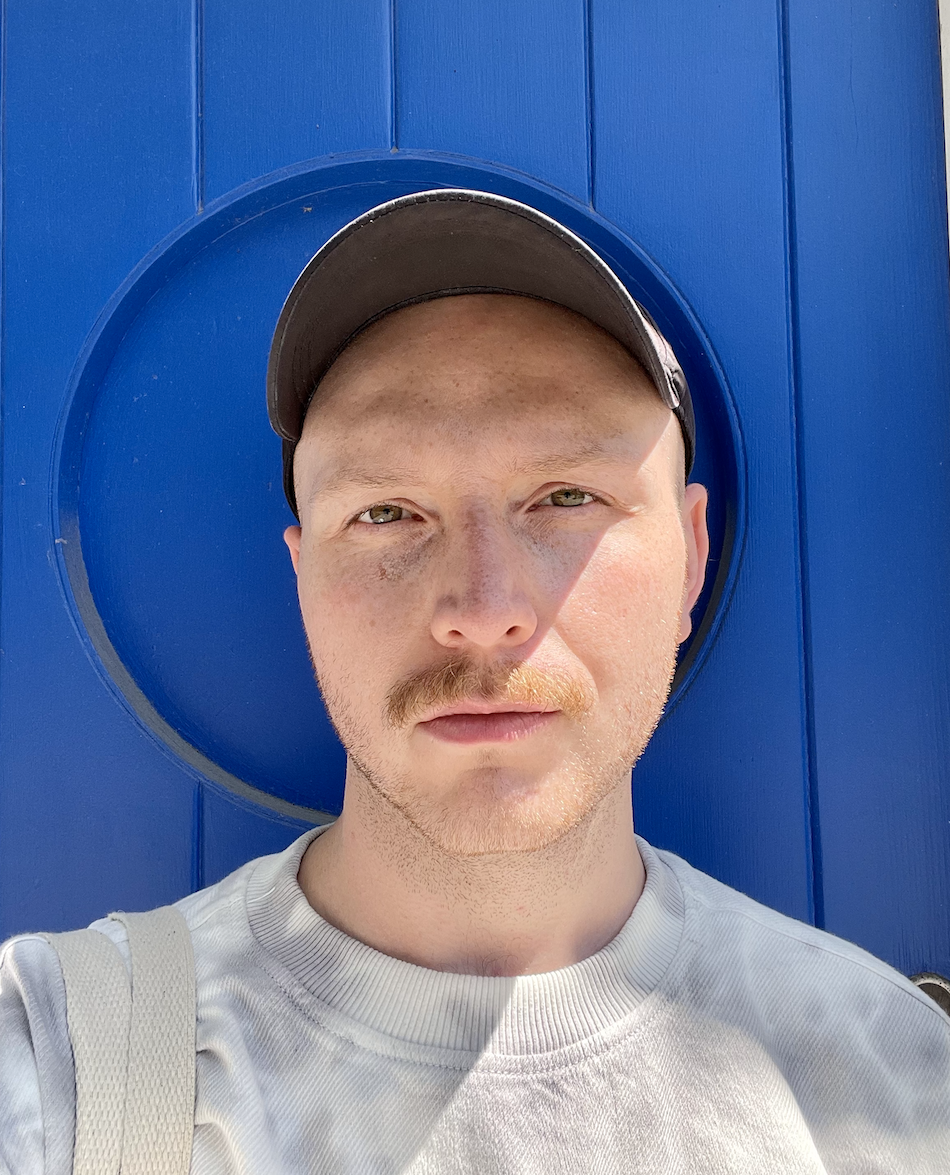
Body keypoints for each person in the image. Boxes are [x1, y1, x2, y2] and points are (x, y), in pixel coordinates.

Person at [2, 189, 948, 1174]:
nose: (481, 604)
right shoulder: (54, 1069)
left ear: (692, 556)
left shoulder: (893, 1075)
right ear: (302, 577)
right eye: (387, 511)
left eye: (566, 495)